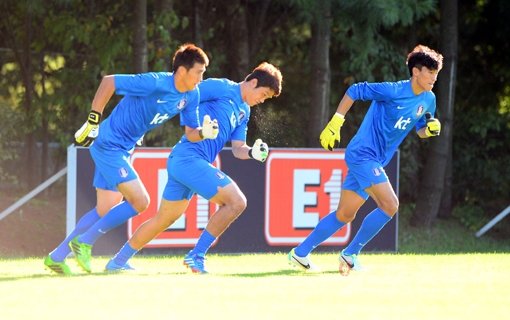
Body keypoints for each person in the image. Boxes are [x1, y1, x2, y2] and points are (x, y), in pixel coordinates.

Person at [44, 43, 211, 275]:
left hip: (123, 149)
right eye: (199, 73)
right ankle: (85, 242)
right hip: (108, 144)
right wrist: (93, 119)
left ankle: (57, 257)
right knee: (141, 202)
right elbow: (109, 81)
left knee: (104, 210)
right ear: (182, 71)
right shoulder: (155, 82)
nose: (201, 79)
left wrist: (204, 132)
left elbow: (191, 133)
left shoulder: (192, 95)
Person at [105, 62, 283, 273]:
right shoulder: (222, 87)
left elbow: (237, 148)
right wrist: (192, 125)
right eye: (263, 94)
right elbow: (186, 95)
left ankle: (117, 261)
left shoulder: (244, 111)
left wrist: (252, 152)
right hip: (188, 158)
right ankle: (196, 255)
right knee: (237, 202)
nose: (261, 101)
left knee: (164, 219)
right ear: (253, 82)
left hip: (186, 162)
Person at [288, 44, 443, 275]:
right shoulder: (392, 91)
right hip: (363, 154)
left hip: (374, 160)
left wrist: (428, 131)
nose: (434, 77)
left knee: (345, 214)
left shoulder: (429, 99)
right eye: (430, 72)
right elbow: (355, 90)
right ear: (416, 72)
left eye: (436, 73)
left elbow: (420, 128)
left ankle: (299, 254)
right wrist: (336, 122)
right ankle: (350, 255)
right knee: (390, 205)